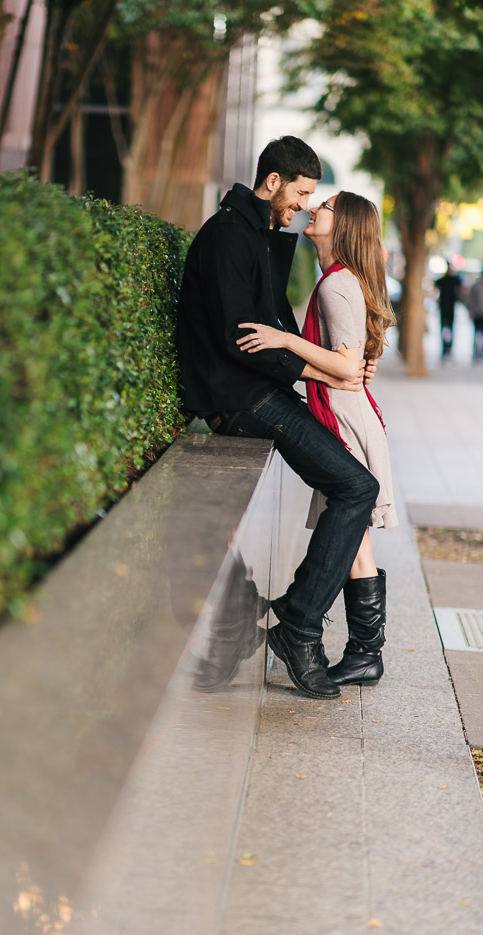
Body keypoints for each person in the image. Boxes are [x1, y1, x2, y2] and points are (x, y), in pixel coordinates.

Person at [175, 137, 380, 701]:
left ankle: (289, 620)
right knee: (357, 486)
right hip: (240, 398)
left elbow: (271, 326)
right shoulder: (227, 237)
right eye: (303, 192)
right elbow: (244, 339)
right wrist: (321, 375)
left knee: (356, 487)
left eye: (313, 197)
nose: (305, 205)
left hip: (261, 392)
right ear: (273, 183)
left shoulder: (257, 234)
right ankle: (299, 628)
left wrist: (326, 369)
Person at [238, 192, 397, 686]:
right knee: (356, 540)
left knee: (353, 533)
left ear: (342, 224)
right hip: (347, 415)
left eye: (325, 205)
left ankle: (331, 634)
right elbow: (358, 359)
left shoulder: (335, 285)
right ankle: (364, 652)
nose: (313, 208)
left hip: (345, 421)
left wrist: (283, 339)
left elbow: (348, 364)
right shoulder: (344, 280)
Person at [434, 263, 462, 360]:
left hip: (446, 308)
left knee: (447, 328)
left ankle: (447, 348)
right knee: (447, 328)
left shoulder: (447, 280)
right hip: (447, 308)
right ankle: (446, 348)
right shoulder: (452, 280)